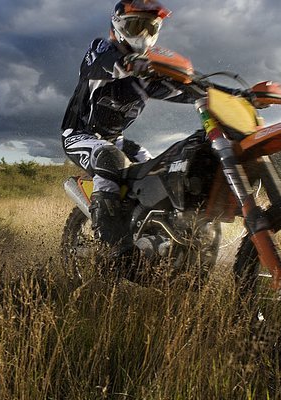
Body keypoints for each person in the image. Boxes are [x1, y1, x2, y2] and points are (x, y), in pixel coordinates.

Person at [61, 0, 197, 253]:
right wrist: (129, 63)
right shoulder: (99, 51)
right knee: (109, 159)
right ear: (118, 26)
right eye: (136, 26)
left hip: (118, 140)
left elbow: (185, 89)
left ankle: (153, 233)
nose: (143, 35)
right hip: (79, 134)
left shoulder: (147, 77)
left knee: (157, 172)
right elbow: (102, 61)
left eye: (150, 28)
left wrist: (227, 94)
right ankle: (114, 248)